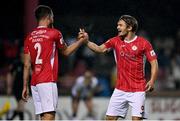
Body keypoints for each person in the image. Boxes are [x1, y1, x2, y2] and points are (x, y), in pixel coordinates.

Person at [82, 15, 158, 121]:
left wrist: (152, 80)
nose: (117, 27)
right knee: (110, 118)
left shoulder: (144, 43)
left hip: (138, 90)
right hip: (120, 89)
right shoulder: (115, 41)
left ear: (130, 27)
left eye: (120, 25)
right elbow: (99, 49)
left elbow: (154, 63)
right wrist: (86, 42)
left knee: (136, 119)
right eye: (118, 25)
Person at [22, 5, 87, 120]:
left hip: (34, 82)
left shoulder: (29, 37)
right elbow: (66, 52)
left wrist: (24, 86)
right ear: (49, 17)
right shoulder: (54, 33)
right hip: (47, 80)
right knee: (49, 116)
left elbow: (27, 65)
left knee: (43, 116)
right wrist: (81, 41)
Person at [6, 48, 25, 120]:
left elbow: (33, 75)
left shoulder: (29, 64)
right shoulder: (16, 63)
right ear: (20, 54)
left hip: (25, 88)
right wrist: (9, 87)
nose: (23, 55)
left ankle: (10, 119)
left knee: (21, 106)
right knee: (21, 106)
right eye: (22, 53)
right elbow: (9, 74)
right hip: (17, 88)